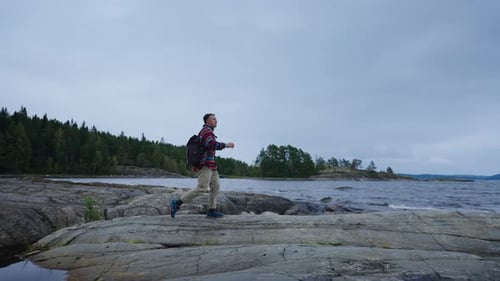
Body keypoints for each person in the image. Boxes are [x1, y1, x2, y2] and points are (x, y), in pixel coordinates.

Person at [171, 113, 235, 218]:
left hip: (212, 165)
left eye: (216, 119)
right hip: (205, 165)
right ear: (207, 121)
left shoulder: (209, 132)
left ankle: (212, 210)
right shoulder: (206, 131)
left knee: (216, 187)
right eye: (213, 119)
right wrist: (225, 145)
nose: (216, 121)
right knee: (202, 188)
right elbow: (210, 144)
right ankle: (177, 203)